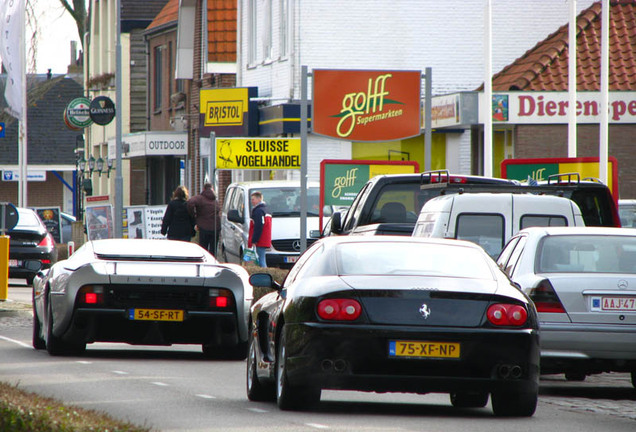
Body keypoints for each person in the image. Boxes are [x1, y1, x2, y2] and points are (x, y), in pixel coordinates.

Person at [187, 182, 221, 256]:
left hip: (204, 228)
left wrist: (194, 215)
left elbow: (190, 203)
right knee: (213, 250)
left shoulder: (200, 198)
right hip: (215, 228)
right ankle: (212, 264)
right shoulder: (215, 201)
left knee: (203, 249)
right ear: (212, 189)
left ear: (203, 189)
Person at [248, 191, 272, 267]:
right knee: (262, 258)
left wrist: (254, 240)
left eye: (253, 199)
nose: (252, 201)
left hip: (260, 239)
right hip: (265, 238)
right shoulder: (266, 210)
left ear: (259, 199)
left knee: (261, 260)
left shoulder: (258, 211)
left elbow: (258, 226)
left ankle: (264, 275)